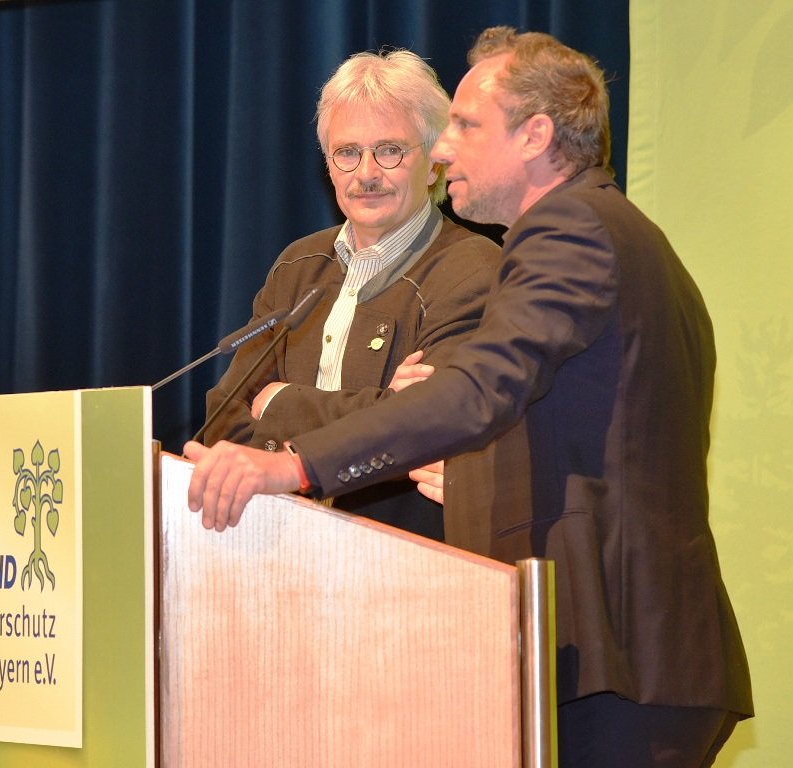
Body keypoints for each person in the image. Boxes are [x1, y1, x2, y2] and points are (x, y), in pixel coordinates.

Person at [184, 27, 753, 768]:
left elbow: (478, 392)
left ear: (536, 134)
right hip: (621, 651)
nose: (444, 148)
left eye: (465, 126)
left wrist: (292, 465)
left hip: (621, 653)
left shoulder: (569, 230)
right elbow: (570, 429)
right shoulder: (601, 229)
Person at [200, 49, 499, 540]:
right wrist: (381, 406)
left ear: (432, 164)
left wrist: (278, 404)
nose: (366, 173)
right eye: (347, 153)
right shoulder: (298, 266)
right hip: (279, 548)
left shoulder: (472, 270)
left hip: (403, 563)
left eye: (389, 150)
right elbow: (223, 422)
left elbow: (429, 432)